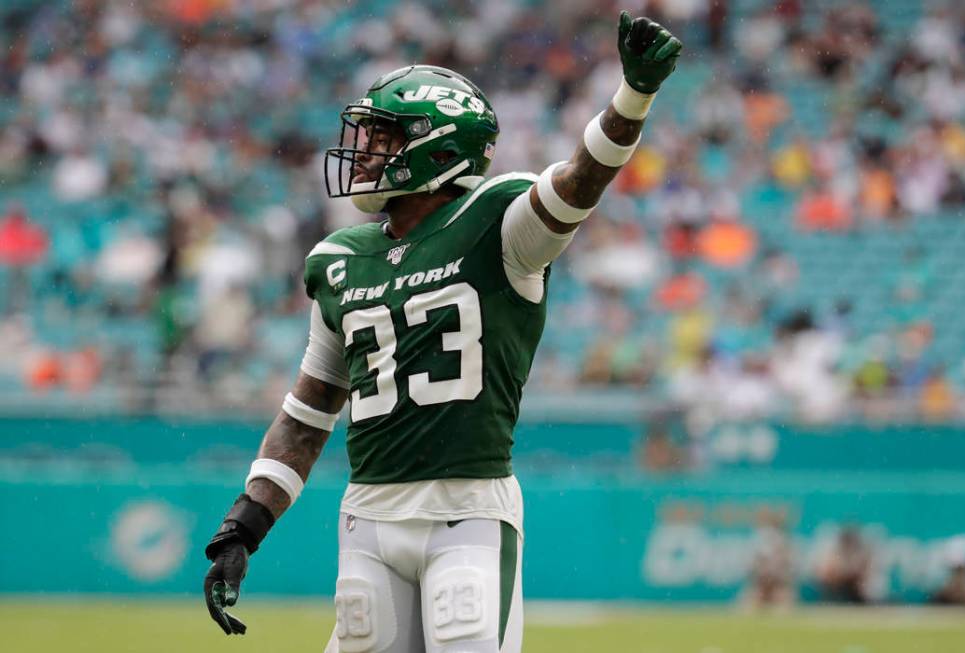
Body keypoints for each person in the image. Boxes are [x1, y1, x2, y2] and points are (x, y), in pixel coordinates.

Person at [201, 11, 682, 653]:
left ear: (438, 147)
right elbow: (307, 413)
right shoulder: (339, 259)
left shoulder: (498, 223)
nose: (365, 152)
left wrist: (633, 97)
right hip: (367, 518)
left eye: (383, 137)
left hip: (468, 510)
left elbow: (579, 181)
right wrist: (246, 522)